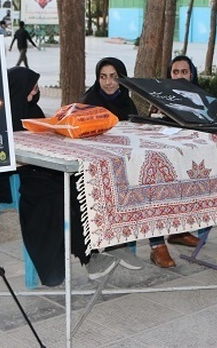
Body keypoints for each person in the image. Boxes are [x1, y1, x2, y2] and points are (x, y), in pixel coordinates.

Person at [0, 67, 89, 286]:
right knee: (52, 196)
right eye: (31, 88)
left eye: (36, 87)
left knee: (78, 187)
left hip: (38, 170)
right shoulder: (0, 117)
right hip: (11, 180)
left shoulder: (34, 110)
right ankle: (53, 267)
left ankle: (89, 254)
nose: (35, 92)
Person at [80, 57, 144, 275]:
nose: (108, 82)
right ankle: (107, 247)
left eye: (114, 77)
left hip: (120, 162)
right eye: (103, 77)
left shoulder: (126, 101)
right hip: (94, 166)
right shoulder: (90, 101)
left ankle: (120, 243)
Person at [146, 56, 206, 268]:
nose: (180, 76)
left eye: (184, 72)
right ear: (169, 74)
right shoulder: (159, 97)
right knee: (157, 191)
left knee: (190, 187)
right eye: (175, 72)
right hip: (161, 159)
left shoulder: (201, 97)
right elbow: (150, 127)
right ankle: (157, 245)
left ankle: (179, 232)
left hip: (187, 156)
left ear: (192, 74)